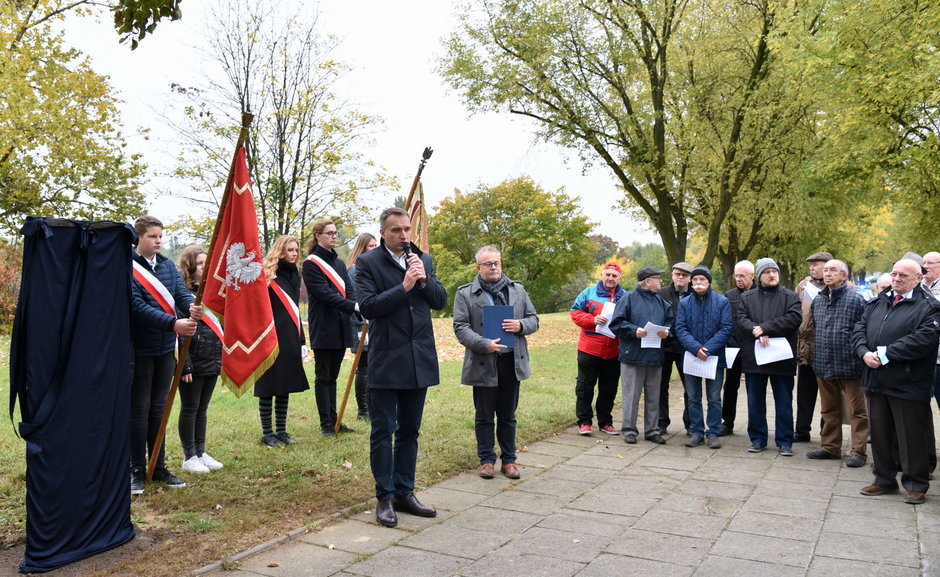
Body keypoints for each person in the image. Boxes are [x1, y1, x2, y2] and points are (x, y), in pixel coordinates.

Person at [356, 207, 448, 528]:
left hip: (418, 359)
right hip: (386, 359)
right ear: (383, 232)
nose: (404, 236)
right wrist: (404, 286)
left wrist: (421, 279)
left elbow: (439, 301)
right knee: (383, 431)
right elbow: (368, 307)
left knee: (410, 431)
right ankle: (385, 496)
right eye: (397, 230)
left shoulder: (421, 259)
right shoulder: (367, 264)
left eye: (407, 229)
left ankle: (405, 492)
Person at [852, 258, 940, 505]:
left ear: (918, 278)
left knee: (911, 435)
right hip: (876, 378)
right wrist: (863, 352)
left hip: (908, 382)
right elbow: (859, 328)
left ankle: (915, 484)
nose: (897, 279)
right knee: (880, 433)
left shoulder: (929, 307)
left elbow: (924, 339)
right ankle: (883, 479)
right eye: (894, 274)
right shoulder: (879, 301)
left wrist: (884, 354)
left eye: (904, 275)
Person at [454, 246, 539, 479]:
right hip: (483, 361)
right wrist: (484, 344)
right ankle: (487, 460)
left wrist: (520, 325)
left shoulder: (517, 290)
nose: (494, 267)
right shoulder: (465, 293)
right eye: (488, 264)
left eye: (497, 263)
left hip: (512, 361)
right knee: (484, 415)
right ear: (478, 267)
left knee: (508, 414)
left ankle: (509, 460)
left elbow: (534, 319)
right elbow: (460, 328)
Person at [129, 215, 200, 495]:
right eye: (152, 236)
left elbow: (180, 293)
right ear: (139, 238)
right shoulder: (127, 267)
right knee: (139, 410)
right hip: (139, 348)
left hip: (164, 350)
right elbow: (136, 307)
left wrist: (192, 305)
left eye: (160, 236)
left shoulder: (168, 266)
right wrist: (174, 323)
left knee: (159, 409)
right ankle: (135, 469)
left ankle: (158, 465)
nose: (158, 241)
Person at [736, 257, 801, 456]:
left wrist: (766, 328)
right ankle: (757, 438)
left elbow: (794, 318)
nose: (772, 275)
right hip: (755, 358)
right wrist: (756, 330)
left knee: (783, 402)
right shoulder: (747, 297)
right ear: (759, 276)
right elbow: (740, 318)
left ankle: (785, 441)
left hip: (781, 358)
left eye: (774, 271)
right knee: (755, 401)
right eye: (767, 272)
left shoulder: (790, 296)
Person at [806, 259, 868, 467]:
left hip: (850, 365)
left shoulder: (856, 301)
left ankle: (858, 451)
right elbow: (813, 329)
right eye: (825, 270)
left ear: (844, 275)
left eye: (833, 270)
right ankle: (830, 447)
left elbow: (863, 332)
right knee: (829, 409)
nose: (828, 273)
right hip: (823, 363)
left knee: (857, 411)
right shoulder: (819, 300)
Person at [303, 218, 359, 436]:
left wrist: (354, 305)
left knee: (333, 377)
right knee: (323, 376)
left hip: (341, 325)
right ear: (318, 236)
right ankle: (326, 424)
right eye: (329, 233)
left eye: (335, 233)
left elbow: (349, 289)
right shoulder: (311, 264)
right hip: (324, 326)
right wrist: (352, 306)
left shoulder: (338, 263)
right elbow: (324, 294)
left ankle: (335, 420)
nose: (334, 236)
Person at [609, 265, 673, 445]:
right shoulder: (628, 298)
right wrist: (633, 330)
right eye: (657, 278)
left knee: (654, 396)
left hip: (655, 356)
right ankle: (629, 430)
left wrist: (667, 332)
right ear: (647, 281)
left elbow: (670, 323)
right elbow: (616, 324)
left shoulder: (663, 303)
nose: (660, 281)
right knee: (631, 395)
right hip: (633, 355)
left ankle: (652, 430)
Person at [255, 235, 309, 447]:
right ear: (280, 251)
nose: (294, 254)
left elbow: (295, 311)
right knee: (269, 384)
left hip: (290, 335)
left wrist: (302, 340)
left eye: (296, 250)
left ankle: (282, 431)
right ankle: (267, 433)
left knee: (285, 383)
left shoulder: (295, 273)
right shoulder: (267, 275)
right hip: (270, 335)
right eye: (290, 250)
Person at [177, 246, 223, 474]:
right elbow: (179, 333)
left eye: (207, 263)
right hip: (191, 361)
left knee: (202, 408)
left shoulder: (213, 294)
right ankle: (189, 456)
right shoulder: (182, 294)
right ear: (190, 266)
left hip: (211, 358)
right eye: (201, 263)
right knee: (189, 408)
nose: (205, 267)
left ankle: (201, 451)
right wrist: (184, 365)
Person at [676, 265, 732, 449]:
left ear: (709, 282)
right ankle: (696, 431)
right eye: (696, 280)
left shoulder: (722, 301)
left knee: (714, 397)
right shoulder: (684, 303)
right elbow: (680, 328)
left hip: (714, 358)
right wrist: (695, 348)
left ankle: (714, 432)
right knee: (693, 397)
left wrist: (707, 349)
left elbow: (726, 328)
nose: (698, 283)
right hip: (692, 357)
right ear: (691, 283)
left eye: (702, 280)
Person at [570, 262, 625, 436]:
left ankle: (605, 422)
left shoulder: (625, 296)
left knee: (609, 388)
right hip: (590, 349)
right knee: (585, 386)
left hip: (615, 351)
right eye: (607, 275)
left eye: (614, 276)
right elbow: (575, 313)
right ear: (602, 275)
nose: (610, 278)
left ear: (619, 278)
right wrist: (593, 320)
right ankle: (584, 422)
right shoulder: (588, 293)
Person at [794, 251, 833, 442]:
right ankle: (801, 430)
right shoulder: (803, 286)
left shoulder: (843, 286)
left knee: (829, 396)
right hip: (806, 348)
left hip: (827, 350)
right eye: (811, 264)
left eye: (816, 264)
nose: (812, 267)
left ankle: (827, 434)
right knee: (804, 393)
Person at [720, 260, 755, 436]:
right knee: (730, 386)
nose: (739, 279)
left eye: (742, 276)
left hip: (754, 349)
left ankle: (755, 424)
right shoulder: (730, 295)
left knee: (754, 388)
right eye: (737, 276)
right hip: (733, 348)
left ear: (752, 276)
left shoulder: (759, 293)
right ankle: (727, 422)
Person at [657, 262, 692, 435]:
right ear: (672, 275)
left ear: (690, 278)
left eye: (685, 275)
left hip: (687, 348)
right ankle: (661, 422)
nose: (680, 277)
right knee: (660, 386)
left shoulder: (696, 294)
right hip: (664, 347)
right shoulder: (662, 293)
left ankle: (691, 424)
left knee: (690, 387)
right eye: (678, 274)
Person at [347, 232, 378, 421]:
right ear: (362, 248)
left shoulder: (371, 269)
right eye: (371, 246)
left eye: (376, 246)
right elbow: (354, 301)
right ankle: (363, 410)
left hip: (375, 324)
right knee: (364, 366)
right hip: (361, 325)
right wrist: (361, 326)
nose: (374, 250)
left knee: (374, 367)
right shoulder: (354, 271)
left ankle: (373, 407)